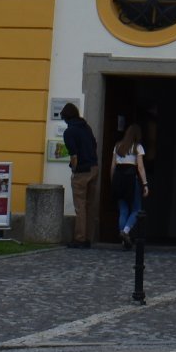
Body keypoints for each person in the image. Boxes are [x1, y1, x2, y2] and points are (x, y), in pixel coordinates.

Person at [60, 102, 100, 248]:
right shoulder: (86, 127)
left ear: (65, 117)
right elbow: (94, 145)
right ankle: (89, 237)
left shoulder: (69, 131)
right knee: (90, 205)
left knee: (80, 206)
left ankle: (80, 238)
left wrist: (74, 170)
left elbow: (74, 155)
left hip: (82, 171)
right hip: (94, 168)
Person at [110, 120, 150, 246]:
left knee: (123, 210)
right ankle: (126, 232)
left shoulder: (117, 146)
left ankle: (123, 239)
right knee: (137, 209)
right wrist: (145, 184)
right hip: (131, 179)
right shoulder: (137, 147)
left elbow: (112, 166)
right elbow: (140, 167)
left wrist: (112, 181)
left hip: (118, 178)